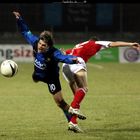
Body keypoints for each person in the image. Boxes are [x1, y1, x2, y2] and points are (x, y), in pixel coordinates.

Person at [12, 11, 85, 133]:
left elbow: (64, 58)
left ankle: (72, 120)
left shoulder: (53, 53)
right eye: (40, 43)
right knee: (35, 77)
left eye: (43, 45)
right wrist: (19, 19)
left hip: (51, 78)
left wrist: (74, 59)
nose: (40, 46)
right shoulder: (35, 42)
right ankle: (35, 78)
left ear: (49, 46)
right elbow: (25, 31)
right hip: (38, 73)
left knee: (60, 102)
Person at [62, 36, 140, 132]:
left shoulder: (79, 45)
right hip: (77, 62)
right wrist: (130, 44)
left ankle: (73, 123)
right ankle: (73, 108)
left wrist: (63, 52)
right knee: (84, 88)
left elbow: (65, 52)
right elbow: (114, 43)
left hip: (65, 65)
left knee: (77, 96)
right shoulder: (96, 43)